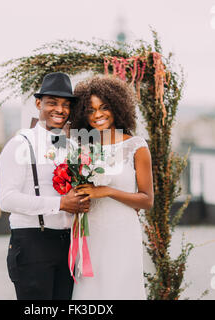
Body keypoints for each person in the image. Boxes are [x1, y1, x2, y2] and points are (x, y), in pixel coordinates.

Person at [0, 72, 90, 300]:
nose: (60, 109)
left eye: (65, 104)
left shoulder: (72, 147)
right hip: (32, 245)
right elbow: (7, 199)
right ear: (38, 103)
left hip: (66, 245)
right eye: (52, 103)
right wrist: (60, 203)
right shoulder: (20, 144)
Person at [69, 75, 154, 299]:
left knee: (120, 290)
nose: (98, 115)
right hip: (90, 232)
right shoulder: (81, 147)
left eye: (104, 107)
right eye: (90, 110)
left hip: (122, 231)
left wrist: (107, 191)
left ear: (117, 107)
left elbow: (147, 200)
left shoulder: (136, 146)